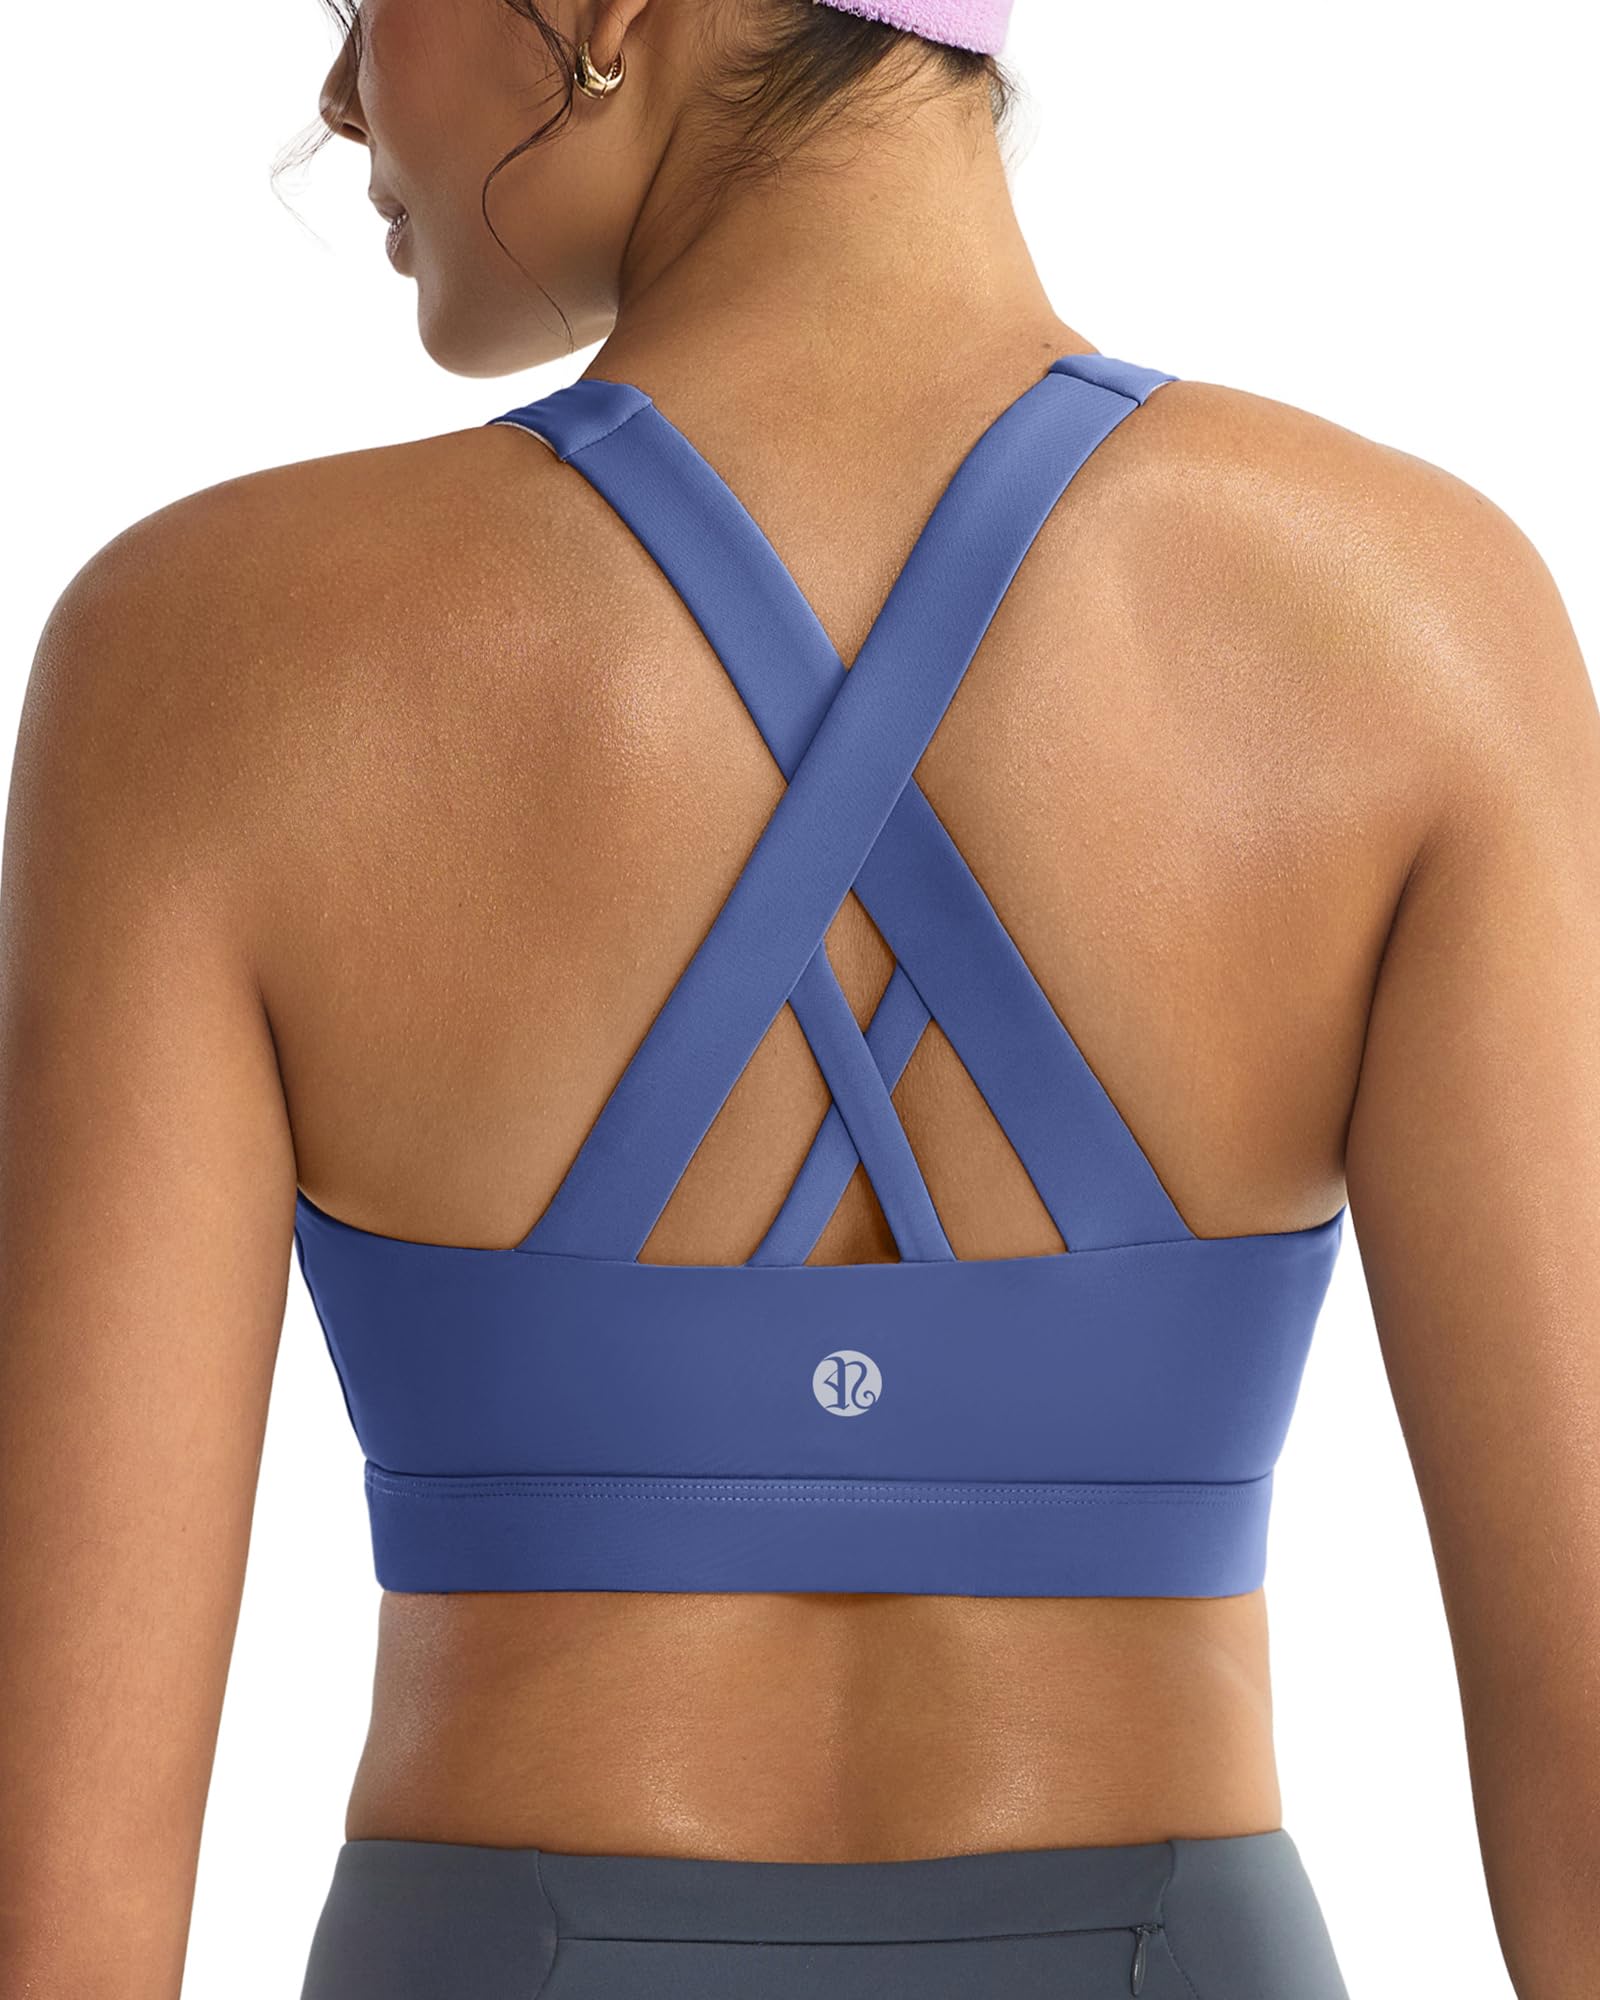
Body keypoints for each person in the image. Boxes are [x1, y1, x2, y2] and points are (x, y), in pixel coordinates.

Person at [2, 0, 1596, 1995]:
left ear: (603, 13)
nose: (340, 96)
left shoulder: (205, 660)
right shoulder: (1413, 623)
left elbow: (55, 1915)